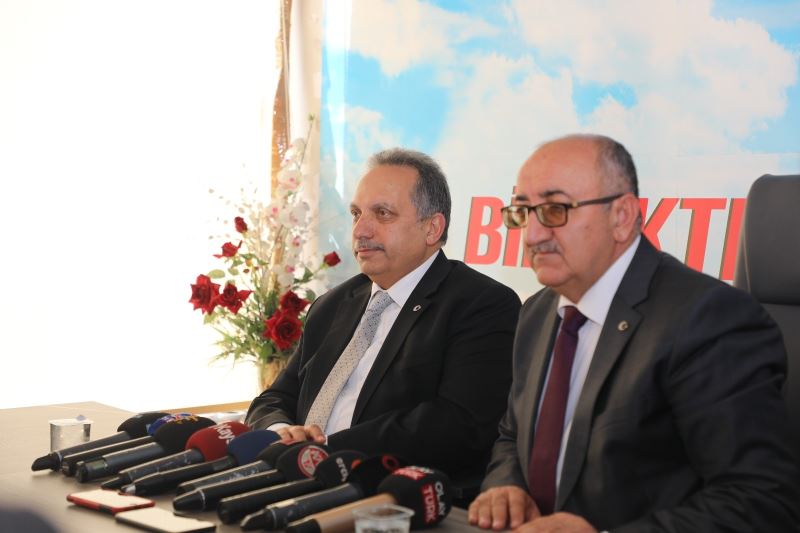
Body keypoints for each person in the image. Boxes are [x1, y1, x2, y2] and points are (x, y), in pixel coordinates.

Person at [468, 134, 799, 532]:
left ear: (622, 216)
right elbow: (513, 434)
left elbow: (761, 501)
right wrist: (506, 485)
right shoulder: (537, 311)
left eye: (555, 210)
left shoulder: (708, 318)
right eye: (522, 212)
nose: (532, 235)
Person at [245, 148, 521, 482]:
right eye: (356, 213)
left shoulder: (482, 305)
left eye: (383, 214)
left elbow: (456, 425)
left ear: (432, 228)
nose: (360, 230)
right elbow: (275, 397)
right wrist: (282, 432)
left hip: (389, 494)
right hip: (292, 480)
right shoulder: (332, 304)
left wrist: (324, 450)